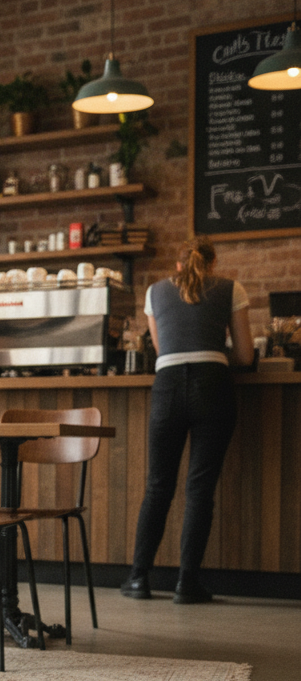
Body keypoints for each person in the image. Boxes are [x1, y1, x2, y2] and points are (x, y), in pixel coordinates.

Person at [121, 237, 253, 604]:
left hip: (168, 388)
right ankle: (186, 583)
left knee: (158, 486)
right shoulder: (231, 288)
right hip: (213, 385)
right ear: (211, 264)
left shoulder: (154, 292)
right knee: (199, 488)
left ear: (178, 266)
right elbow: (244, 354)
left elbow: (165, 350)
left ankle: (138, 578)